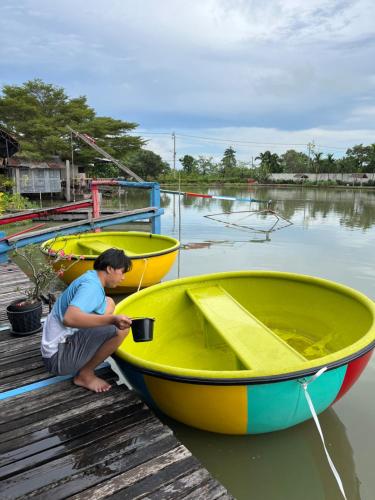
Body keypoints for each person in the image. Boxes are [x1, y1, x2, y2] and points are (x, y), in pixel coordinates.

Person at [41, 248, 132, 393]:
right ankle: (85, 375)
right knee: (121, 330)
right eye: (122, 272)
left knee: (108, 302)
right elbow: (70, 318)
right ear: (110, 269)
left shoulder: (91, 277)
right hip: (58, 358)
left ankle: (94, 351)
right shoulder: (91, 287)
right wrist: (112, 320)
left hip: (55, 346)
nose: (123, 278)